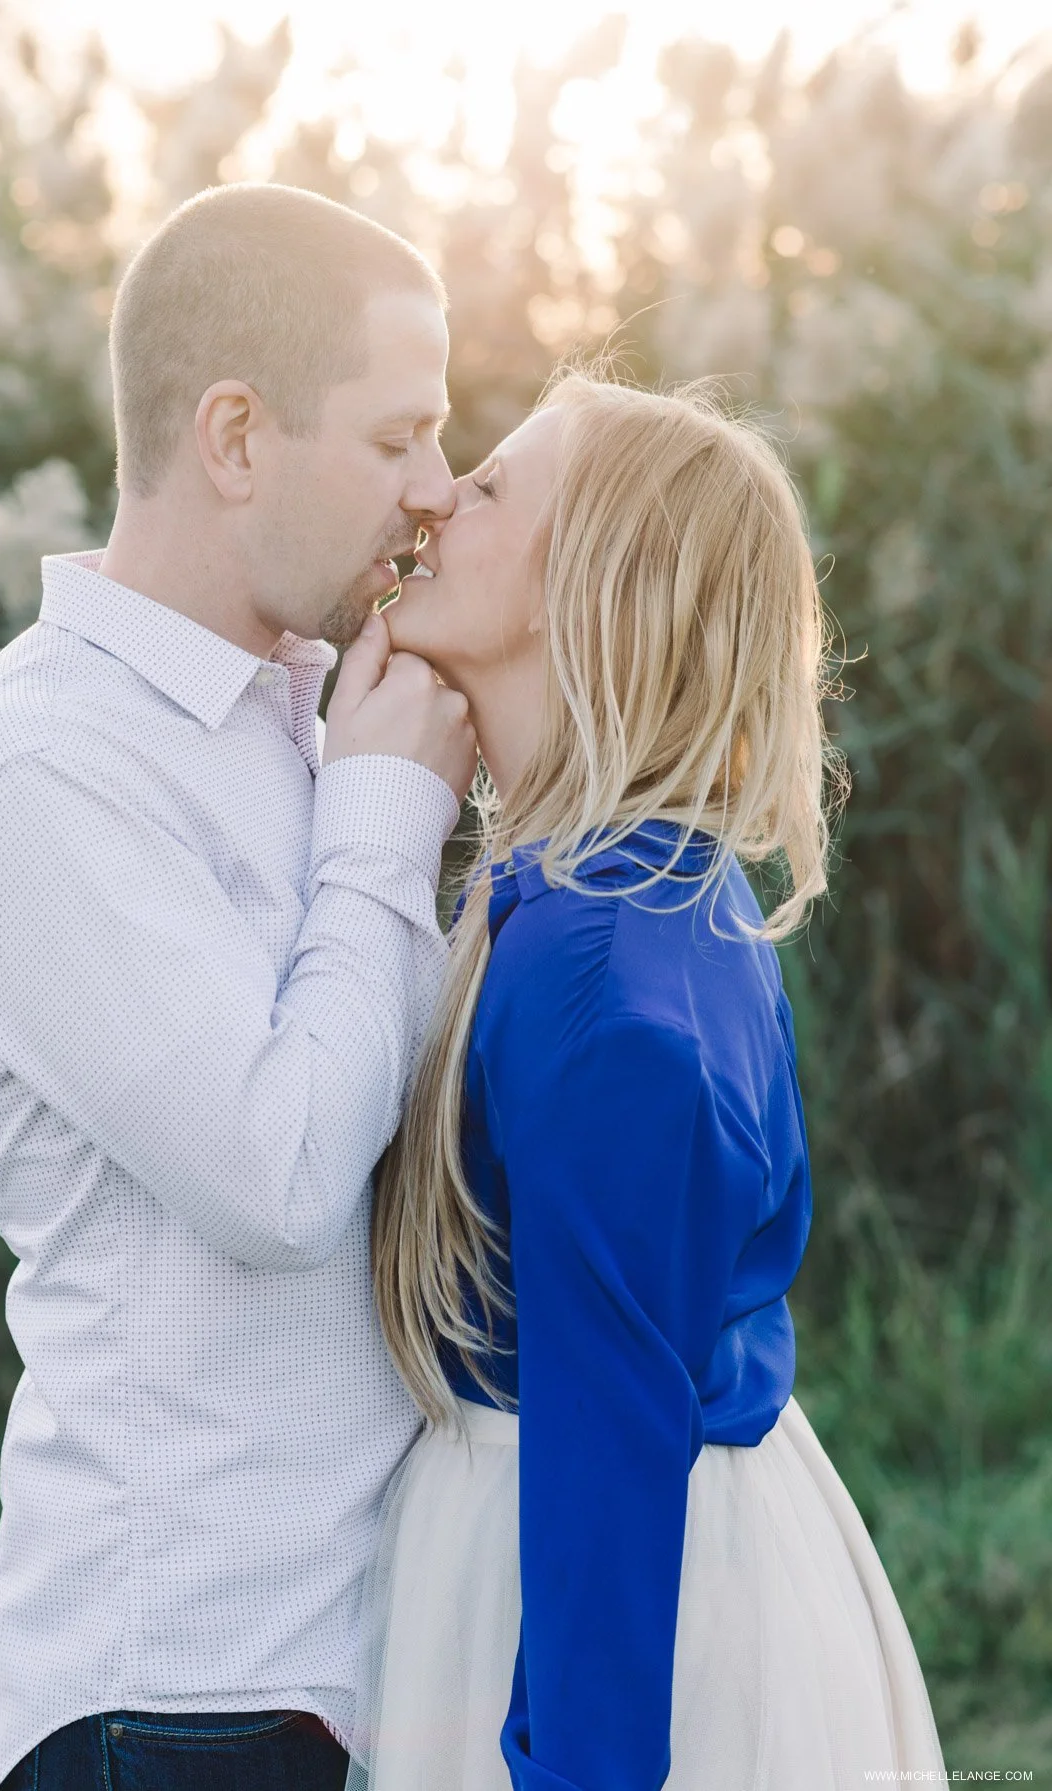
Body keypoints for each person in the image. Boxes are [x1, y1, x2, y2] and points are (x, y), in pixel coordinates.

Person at [0, 182, 477, 1791]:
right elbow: (278, 1176)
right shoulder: (39, 764)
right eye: (398, 436)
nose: (437, 487)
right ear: (234, 437)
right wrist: (386, 817)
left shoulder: (323, 717)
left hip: (370, 1669)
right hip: (179, 1694)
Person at [352, 370, 947, 1790]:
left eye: (490, 486)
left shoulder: (604, 971)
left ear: (594, 589)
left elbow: (611, 1436)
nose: (438, 496)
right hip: (569, 1538)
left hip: (595, 1605)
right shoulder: (615, 893)